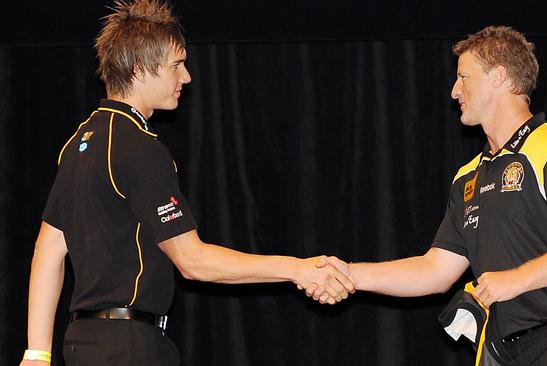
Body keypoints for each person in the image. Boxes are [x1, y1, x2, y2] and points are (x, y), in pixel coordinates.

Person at [20, 1, 354, 365]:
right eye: (177, 65)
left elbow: (48, 250)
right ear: (139, 69)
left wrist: (37, 353)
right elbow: (193, 261)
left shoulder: (78, 143)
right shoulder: (139, 147)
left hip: (82, 342)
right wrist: (296, 268)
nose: (187, 77)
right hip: (128, 345)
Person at [312, 26, 547, 365]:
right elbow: (435, 270)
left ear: (499, 77)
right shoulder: (469, 176)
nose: (454, 90)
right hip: (504, 349)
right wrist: (348, 274)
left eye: (464, 77)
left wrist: (517, 279)